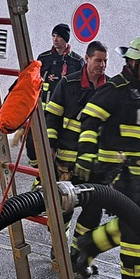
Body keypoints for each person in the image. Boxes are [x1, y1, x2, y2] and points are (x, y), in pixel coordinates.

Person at [71, 36, 140, 279]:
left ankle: (87, 246)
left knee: (129, 225)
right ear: (132, 61)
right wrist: (87, 158)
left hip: (139, 174)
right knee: (135, 229)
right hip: (119, 174)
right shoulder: (115, 89)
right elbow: (88, 120)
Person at [45, 40, 109, 262]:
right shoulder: (68, 84)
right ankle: (59, 247)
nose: (102, 65)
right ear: (87, 58)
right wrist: (50, 147)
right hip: (67, 161)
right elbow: (52, 116)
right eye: (98, 60)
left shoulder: (109, 88)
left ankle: (77, 253)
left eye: (105, 61)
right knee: (64, 208)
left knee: (93, 211)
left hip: (96, 163)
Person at [25, 23, 85, 174]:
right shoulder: (43, 58)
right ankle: (40, 172)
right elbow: (32, 82)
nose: (55, 39)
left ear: (66, 39)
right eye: (53, 36)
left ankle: (52, 176)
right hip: (41, 113)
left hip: (63, 116)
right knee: (33, 145)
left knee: (58, 147)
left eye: (59, 36)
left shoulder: (77, 61)